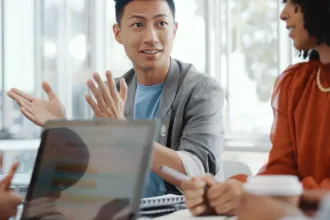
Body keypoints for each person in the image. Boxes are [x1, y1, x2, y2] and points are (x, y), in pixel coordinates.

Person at [7, 0, 224, 198]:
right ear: (118, 33)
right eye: (138, 25)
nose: (151, 37)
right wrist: (61, 129)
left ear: (174, 30)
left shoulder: (201, 89)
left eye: (161, 24)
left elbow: (198, 172)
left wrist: (124, 131)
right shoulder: (115, 92)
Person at [181, 0, 330, 216]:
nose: (283, 14)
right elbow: (281, 171)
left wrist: (248, 195)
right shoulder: (296, 83)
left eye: (293, 3)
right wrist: (222, 193)